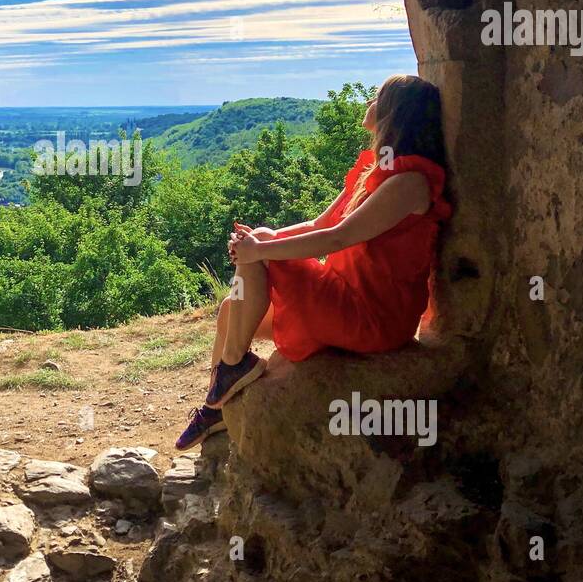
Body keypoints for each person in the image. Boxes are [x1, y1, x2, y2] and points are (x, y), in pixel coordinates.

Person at [175, 74, 453, 450]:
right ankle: (218, 405)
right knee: (230, 310)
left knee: (261, 252)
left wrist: (260, 250)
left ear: (393, 113)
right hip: (345, 295)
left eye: (376, 97)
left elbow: (338, 237)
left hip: (371, 314)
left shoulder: (408, 184)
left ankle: (233, 366)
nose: (368, 104)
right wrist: (261, 240)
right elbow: (320, 224)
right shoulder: (377, 170)